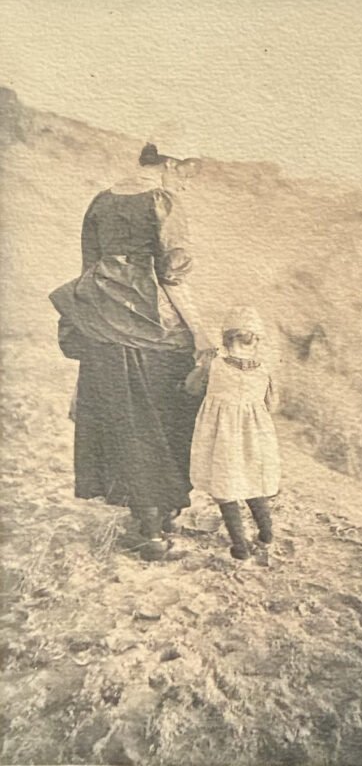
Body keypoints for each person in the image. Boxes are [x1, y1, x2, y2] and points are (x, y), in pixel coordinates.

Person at [49, 142, 213, 560]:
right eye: (187, 172)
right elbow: (173, 277)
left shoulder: (101, 200)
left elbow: (88, 267)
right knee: (162, 418)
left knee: (125, 421)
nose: (187, 182)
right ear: (171, 163)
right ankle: (154, 529)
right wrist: (201, 332)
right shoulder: (163, 201)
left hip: (102, 325)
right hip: (152, 328)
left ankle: (151, 520)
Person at [188, 306, 281, 560]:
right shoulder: (264, 369)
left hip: (221, 436)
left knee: (225, 487)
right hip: (254, 436)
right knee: (252, 482)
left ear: (226, 338)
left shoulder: (214, 365)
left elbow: (192, 389)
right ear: (256, 340)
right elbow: (272, 405)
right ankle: (266, 534)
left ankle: (240, 546)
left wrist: (200, 368)